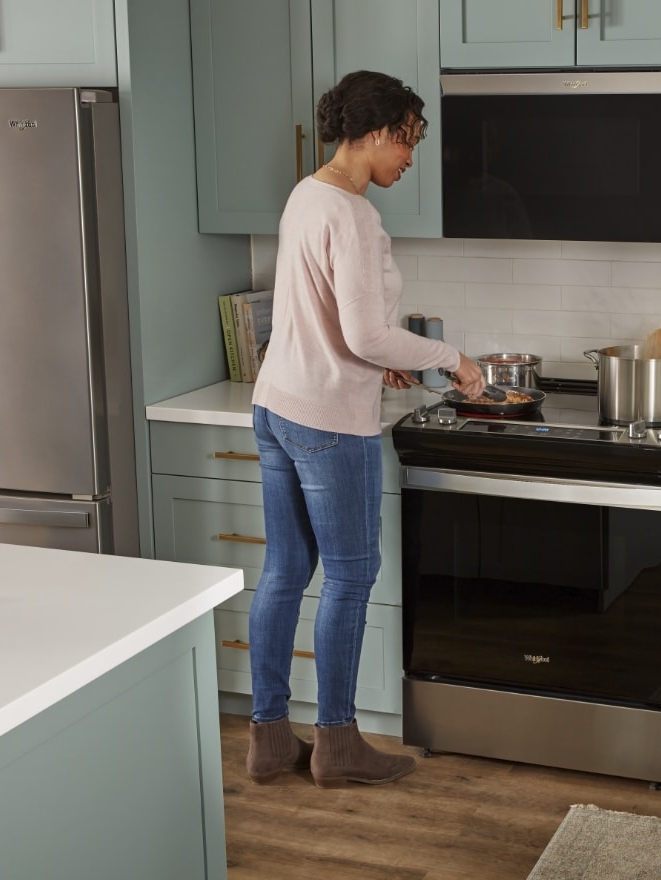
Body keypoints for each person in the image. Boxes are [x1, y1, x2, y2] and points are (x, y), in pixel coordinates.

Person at [245, 70, 485, 788]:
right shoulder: (353, 215)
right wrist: (454, 359)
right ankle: (338, 744)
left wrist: (376, 360)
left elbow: (332, 325)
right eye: (408, 139)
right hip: (325, 421)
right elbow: (364, 332)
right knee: (350, 576)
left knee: (286, 571)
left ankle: (268, 739)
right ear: (378, 131)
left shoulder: (306, 193)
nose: (410, 157)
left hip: (275, 405)